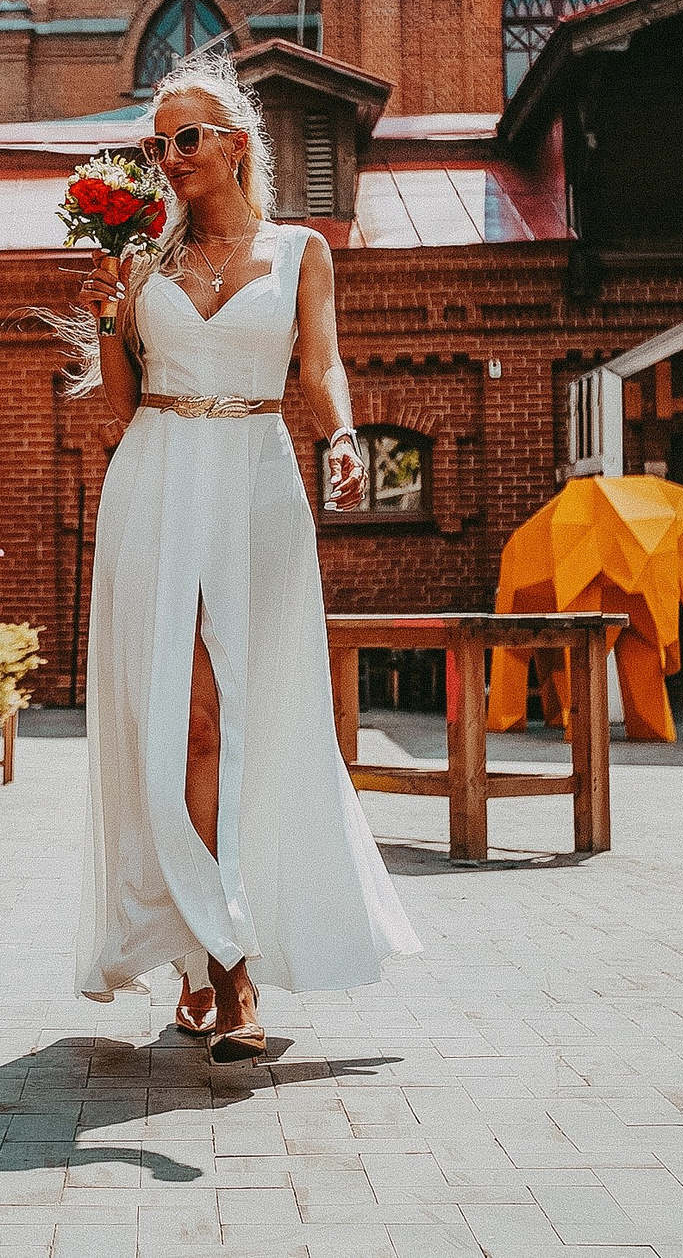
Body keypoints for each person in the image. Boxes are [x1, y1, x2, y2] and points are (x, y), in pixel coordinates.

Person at [68, 52, 419, 1063]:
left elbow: (323, 363)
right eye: (155, 142)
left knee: (255, 721)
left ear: (232, 144)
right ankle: (226, 976)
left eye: (186, 138)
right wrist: (103, 313)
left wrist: (343, 435)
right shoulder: (139, 263)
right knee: (190, 727)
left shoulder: (302, 249)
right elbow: (118, 418)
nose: (168, 157)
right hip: (158, 478)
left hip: (259, 481)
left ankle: (208, 947)